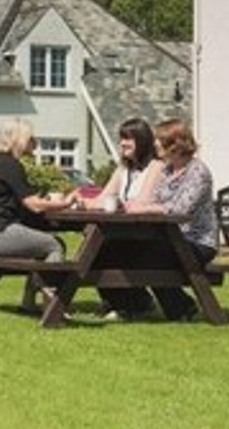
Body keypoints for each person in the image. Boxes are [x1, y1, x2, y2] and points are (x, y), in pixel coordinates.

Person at [75, 117, 164, 320]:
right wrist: (80, 201)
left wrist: (119, 205)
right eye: (121, 139)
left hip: (149, 233)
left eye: (128, 139)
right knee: (93, 250)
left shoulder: (156, 167)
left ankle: (133, 304)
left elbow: (143, 201)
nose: (123, 143)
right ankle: (129, 302)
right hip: (123, 230)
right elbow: (102, 198)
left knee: (100, 251)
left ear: (142, 141)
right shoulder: (123, 168)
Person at [137, 118, 217, 322]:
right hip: (171, 238)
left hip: (198, 242)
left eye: (159, 140)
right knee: (126, 249)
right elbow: (154, 200)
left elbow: (181, 210)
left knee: (148, 257)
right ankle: (134, 305)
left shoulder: (198, 172)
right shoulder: (167, 170)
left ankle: (182, 308)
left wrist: (146, 209)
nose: (155, 144)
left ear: (175, 145)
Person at [0, 118, 76, 265]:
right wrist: (65, 204)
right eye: (31, 138)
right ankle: (47, 287)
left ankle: (40, 286)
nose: (35, 143)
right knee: (54, 245)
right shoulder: (9, 164)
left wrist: (47, 201)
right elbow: (34, 205)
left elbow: (22, 200)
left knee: (45, 244)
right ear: (20, 139)